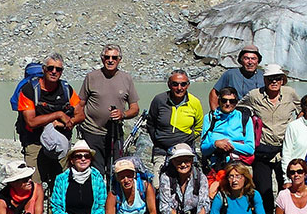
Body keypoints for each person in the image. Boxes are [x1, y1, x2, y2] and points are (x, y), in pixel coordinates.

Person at [238, 63, 301, 214]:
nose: (274, 82)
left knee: (286, 190)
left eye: (278, 78)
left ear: (282, 80)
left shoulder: (290, 94)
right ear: (264, 80)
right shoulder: (254, 95)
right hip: (262, 151)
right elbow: (237, 108)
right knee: (263, 191)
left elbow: (304, 109)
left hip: (285, 151)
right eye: (270, 79)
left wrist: (297, 126)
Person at [15, 52, 84, 185]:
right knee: (34, 185)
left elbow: (80, 114)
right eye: (50, 68)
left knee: (61, 184)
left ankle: (58, 205)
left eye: (58, 69)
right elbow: (31, 121)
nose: (54, 72)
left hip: (60, 142)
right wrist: (58, 114)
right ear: (44, 69)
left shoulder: (66, 89)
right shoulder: (29, 90)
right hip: (35, 143)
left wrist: (68, 123)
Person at [76, 44, 140, 175]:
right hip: (92, 132)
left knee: (116, 170)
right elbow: (80, 104)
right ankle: (98, 195)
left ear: (119, 59)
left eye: (114, 57)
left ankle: (113, 195)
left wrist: (123, 114)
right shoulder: (91, 77)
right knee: (95, 172)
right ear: (102, 58)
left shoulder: (126, 78)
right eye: (107, 57)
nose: (110, 60)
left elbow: (135, 108)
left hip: (115, 134)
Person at [146, 69, 205, 173]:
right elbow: (151, 123)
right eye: (175, 84)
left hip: (185, 150)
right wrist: (158, 139)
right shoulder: (159, 100)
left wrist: (188, 138)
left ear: (188, 85)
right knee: (157, 184)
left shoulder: (194, 102)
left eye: (183, 84)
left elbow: (199, 127)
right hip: (161, 151)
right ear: (169, 85)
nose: (179, 88)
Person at [200, 87, 256, 180]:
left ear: (237, 102)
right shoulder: (210, 118)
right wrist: (215, 144)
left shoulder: (244, 118)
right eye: (224, 100)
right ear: (219, 101)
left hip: (239, 166)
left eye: (232, 101)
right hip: (216, 166)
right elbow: (204, 149)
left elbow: (250, 149)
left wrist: (228, 144)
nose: (228, 104)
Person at [209, 43, 263, 110]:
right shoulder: (230, 74)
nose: (250, 62)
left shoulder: (263, 76)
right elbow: (214, 93)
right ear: (241, 60)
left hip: (257, 113)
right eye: (246, 58)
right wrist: (215, 113)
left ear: (258, 61)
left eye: (253, 59)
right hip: (234, 114)